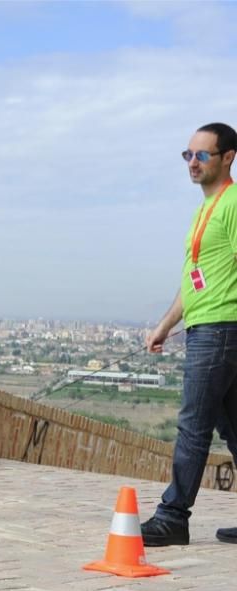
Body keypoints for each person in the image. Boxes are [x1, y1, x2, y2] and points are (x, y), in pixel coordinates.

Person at [140, 122, 237, 547]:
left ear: (228, 157)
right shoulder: (204, 210)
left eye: (202, 155)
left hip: (220, 328)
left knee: (193, 426)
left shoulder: (234, 203)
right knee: (233, 429)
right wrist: (165, 325)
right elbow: (194, 278)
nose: (193, 163)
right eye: (188, 155)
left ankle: (172, 516)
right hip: (207, 327)